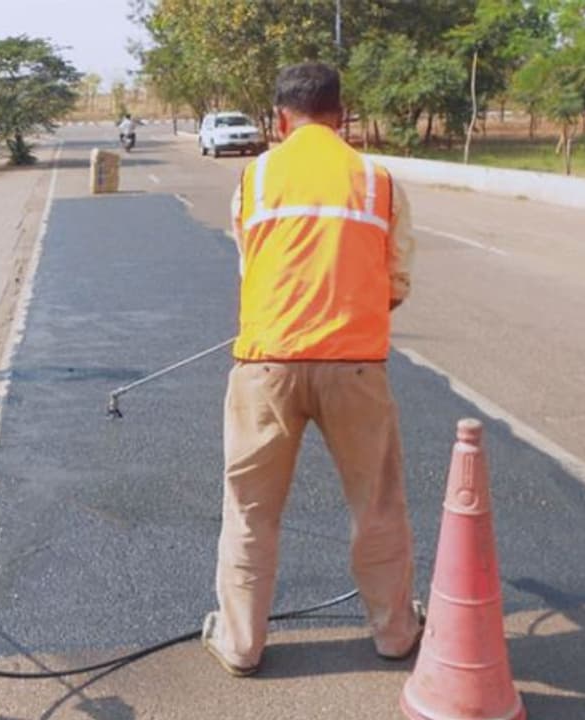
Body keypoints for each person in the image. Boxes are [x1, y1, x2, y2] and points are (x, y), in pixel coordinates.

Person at [201, 62, 420, 677]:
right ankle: (395, 634)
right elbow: (396, 281)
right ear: (342, 115)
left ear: (279, 118)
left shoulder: (256, 178)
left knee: (249, 509)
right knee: (377, 504)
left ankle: (242, 643)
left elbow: (252, 267)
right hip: (354, 368)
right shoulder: (376, 180)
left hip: (266, 366)